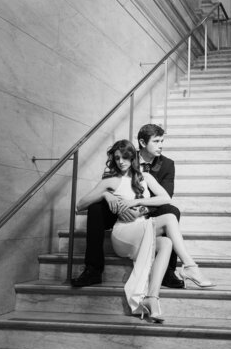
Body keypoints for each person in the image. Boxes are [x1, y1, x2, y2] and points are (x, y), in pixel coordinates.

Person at [75, 139, 215, 322]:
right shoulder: (110, 180)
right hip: (123, 235)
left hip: (142, 230)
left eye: (125, 157)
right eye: (117, 158)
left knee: (166, 242)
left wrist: (137, 202)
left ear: (133, 157)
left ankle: (152, 298)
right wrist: (104, 194)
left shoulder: (145, 177)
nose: (121, 161)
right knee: (170, 218)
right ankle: (190, 266)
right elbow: (80, 205)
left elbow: (165, 198)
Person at [73, 123, 184, 288]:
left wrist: (138, 210)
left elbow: (165, 197)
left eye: (162, 141)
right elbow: (109, 182)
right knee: (95, 209)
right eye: (157, 141)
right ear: (143, 142)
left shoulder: (167, 165)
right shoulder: (126, 155)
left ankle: (167, 272)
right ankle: (93, 270)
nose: (161, 145)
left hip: (148, 211)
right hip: (119, 210)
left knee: (172, 211)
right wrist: (109, 196)